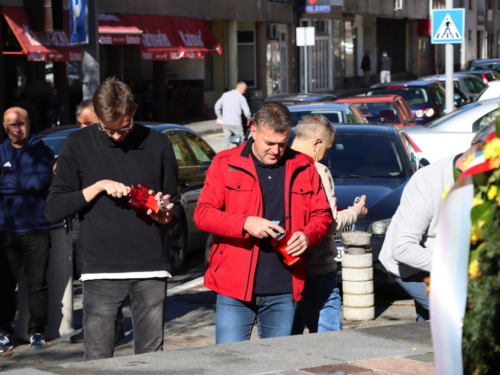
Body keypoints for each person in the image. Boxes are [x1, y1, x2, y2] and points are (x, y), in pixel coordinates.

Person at [45, 77, 180, 360]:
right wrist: (97, 187)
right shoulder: (77, 144)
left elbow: (173, 208)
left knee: (151, 360)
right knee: (97, 359)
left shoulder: (159, 143)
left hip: (150, 268)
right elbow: (54, 209)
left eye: (125, 127)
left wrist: (165, 212)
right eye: (109, 130)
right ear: (96, 116)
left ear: (134, 109)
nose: (118, 135)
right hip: (101, 270)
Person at [194, 102, 333, 344]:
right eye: (269, 143)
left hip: (284, 287)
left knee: (277, 365)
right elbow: (203, 215)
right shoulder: (225, 162)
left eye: (282, 143)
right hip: (233, 287)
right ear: (254, 130)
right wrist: (245, 223)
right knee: (229, 362)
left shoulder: (304, 166)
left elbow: (322, 215)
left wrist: (308, 235)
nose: (276, 151)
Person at [379, 145, 480, 322]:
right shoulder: (427, 181)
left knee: (429, 322)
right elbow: (403, 248)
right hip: (411, 265)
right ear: (464, 165)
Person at [290, 115, 367, 334]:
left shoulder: (278, 167)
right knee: (330, 347)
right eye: (327, 147)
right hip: (317, 266)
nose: (326, 154)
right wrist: (355, 212)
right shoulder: (317, 170)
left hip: (286, 268)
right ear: (316, 142)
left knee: (285, 345)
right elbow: (329, 223)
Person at [68, 99, 125, 347]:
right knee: (88, 278)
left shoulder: (108, 148)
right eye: (80, 124)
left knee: (110, 278)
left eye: (89, 124)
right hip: (82, 218)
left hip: (109, 222)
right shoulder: (77, 146)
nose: (84, 129)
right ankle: (92, 326)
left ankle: (116, 328)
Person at [0, 107, 54, 352]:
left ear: (28, 123)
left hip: (36, 229)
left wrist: (8, 180)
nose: (17, 128)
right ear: (4, 126)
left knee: (37, 285)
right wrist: (24, 181)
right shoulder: (0, 151)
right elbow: (30, 182)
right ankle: (3, 332)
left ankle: (37, 332)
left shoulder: (42, 151)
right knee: (3, 285)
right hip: (6, 229)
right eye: (12, 124)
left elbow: (40, 182)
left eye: (20, 123)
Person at [214, 81, 251, 149]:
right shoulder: (241, 97)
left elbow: (217, 106)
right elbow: (247, 111)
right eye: (244, 89)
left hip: (226, 122)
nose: (244, 91)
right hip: (236, 123)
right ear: (241, 87)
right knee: (241, 140)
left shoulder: (225, 95)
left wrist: (220, 117)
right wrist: (248, 120)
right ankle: (242, 154)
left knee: (226, 140)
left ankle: (225, 155)